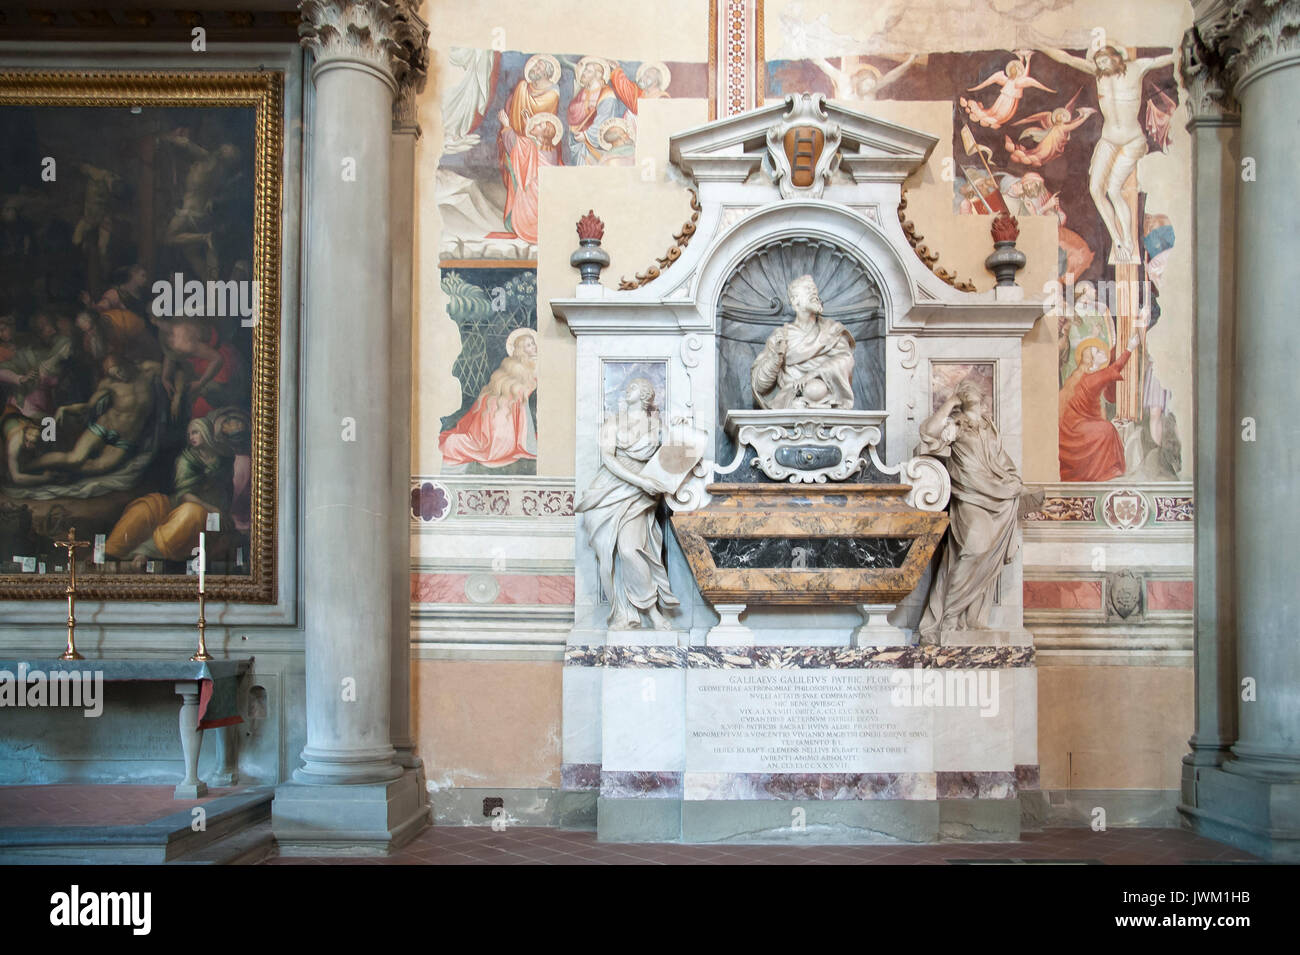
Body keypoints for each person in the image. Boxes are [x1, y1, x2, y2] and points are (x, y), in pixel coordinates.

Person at [1037, 41, 1175, 262]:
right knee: (1095, 189)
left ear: (1116, 57)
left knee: (1113, 189)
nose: (1100, 64)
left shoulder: (1136, 67)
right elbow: (1066, 58)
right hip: (1108, 139)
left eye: (1104, 60)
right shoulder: (1099, 74)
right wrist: (1039, 44)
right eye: (1098, 61)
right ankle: (1117, 239)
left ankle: (1128, 240)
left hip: (1131, 140)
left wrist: (1180, 48)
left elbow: (1161, 60)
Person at [915, 382, 1026, 642]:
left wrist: (1011, 481)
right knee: (975, 548)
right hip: (969, 495)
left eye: (973, 386)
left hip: (996, 495)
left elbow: (1000, 460)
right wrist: (950, 402)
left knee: (988, 555)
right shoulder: (956, 423)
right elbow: (928, 432)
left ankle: (972, 616)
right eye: (964, 387)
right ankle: (949, 615)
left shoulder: (989, 427)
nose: (970, 388)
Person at [576, 377, 679, 630]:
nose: (627, 389)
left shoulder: (657, 425)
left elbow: (674, 458)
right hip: (609, 490)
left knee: (630, 550)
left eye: (633, 387)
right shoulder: (613, 422)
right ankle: (624, 612)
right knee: (610, 553)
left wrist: (680, 434)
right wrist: (639, 481)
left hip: (640, 495)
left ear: (645, 394)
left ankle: (652, 610)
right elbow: (608, 459)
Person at [106, 415, 233, 565]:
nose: (191, 437)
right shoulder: (186, 459)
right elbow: (184, 495)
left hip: (209, 519)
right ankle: (108, 553)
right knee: (145, 508)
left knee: (191, 513)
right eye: (189, 434)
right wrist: (211, 508)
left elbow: (227, 491)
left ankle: (145, 551)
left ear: (205, 432)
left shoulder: (225, 459)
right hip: (183, 504)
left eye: (195, 432)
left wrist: (216, 510)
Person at [33, 354, 160, 476]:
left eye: (119, 371)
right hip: (104, 426)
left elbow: (177, 371)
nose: (119, 376)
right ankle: (30, 467)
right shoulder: (109, 384)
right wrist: (65, 409)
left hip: (126, 437)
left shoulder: (147, 370)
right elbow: (89, 406)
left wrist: (176, 397)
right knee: (74, 459)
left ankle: (59, 471)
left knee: (99, 466)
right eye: (113, 374)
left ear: (126, 364)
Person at [439, 328, 538, 471]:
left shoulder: (535, 364)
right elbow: (508, 384)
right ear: (521, 349)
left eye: (533, 343)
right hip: (500, 402)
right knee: (494, 432)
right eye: (529, 345)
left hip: (507, 402)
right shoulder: (512, 363)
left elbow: (525, 387)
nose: (534, 347)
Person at [750, 274, 855, 409]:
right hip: (790, 396)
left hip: (825, 393)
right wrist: (776, 359)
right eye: (808, 289)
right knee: (811, 391)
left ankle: (815, 402)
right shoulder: (781, 336)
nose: (814, 292)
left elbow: (846, 360)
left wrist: (814, 373)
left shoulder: (832, 330)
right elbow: (759, 385)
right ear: (794, 301)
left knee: (815, 389)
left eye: (814, 289)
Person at [1058, 333, 1139, 481]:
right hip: (1075, 429)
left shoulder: (1084, 373)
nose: (1103, 352)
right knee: (1106, 430)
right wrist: (1129, 348)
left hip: (1075, 424)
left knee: (1106, 427)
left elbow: (1109, 363)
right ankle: (1107, 471)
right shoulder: (1094, 378)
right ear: (1091, 359)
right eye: (1098, 351)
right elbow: (1115, 367)